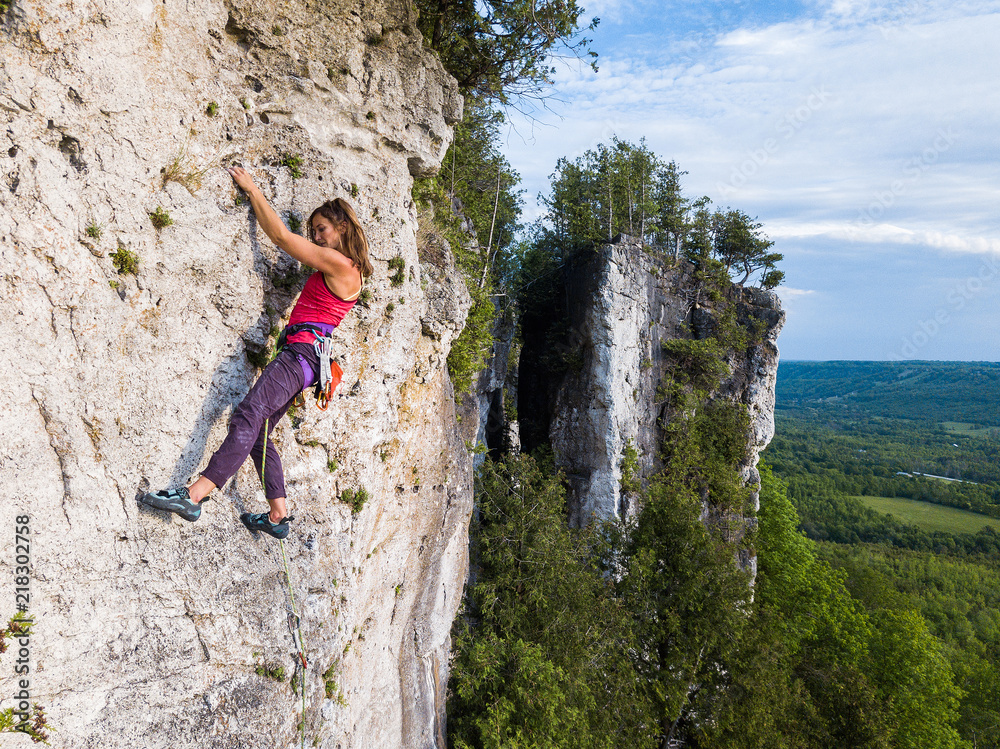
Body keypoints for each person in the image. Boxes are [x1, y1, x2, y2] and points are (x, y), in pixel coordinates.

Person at [140, 166, 373, 539]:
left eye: (322, 229)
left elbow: (280, 236)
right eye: (314, 231)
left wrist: (251, 189)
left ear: (342, 227)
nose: (316, 236)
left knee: (248, 414)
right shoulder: (348, 270)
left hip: (299, 357)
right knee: (260, 433)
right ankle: (278, 515)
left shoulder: (342, 264)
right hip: (309, 361)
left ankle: (194, 496)